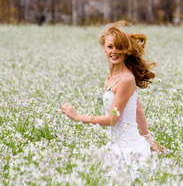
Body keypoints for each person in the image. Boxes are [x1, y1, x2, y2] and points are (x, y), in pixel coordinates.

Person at [61, 21, 164, 174]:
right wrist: (147, 137)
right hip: (116, 146)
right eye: (110, 47)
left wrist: (77, 117)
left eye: (119, 47)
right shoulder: (111, 78)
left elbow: (112, 120)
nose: (114, 51)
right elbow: (138, 108)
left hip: (129, 151)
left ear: (126, 51)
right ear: (104, 48)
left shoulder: (125, 79)